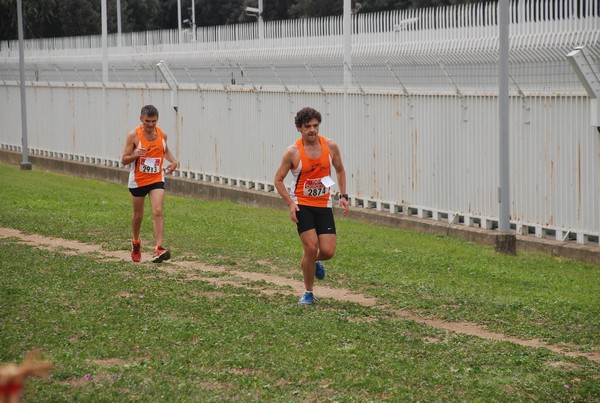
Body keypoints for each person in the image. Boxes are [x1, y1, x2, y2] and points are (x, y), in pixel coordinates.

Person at [274, 107, 350, 305]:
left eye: (315, 126)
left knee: (327, 251)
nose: (312, 130)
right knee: (310, 246)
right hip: (302, 204)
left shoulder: (330, 146)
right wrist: (290, 204)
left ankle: (312, 261)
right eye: (307, 126)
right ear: (299, 128)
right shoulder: (293, 152)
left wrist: (343, 195)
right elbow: (278, 180)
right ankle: (308, 292)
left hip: (323, 204)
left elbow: (340, 170)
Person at [121, 105, 179, 263]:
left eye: (153, 121)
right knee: (138, 216)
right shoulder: (134, 135)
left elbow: (164, 150)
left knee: (158, 211)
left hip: (156, 178)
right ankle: (135, 241)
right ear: (141, 119)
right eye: (147, 121)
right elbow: (124, 159)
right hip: (138, 180)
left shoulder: (162, 134)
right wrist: (135, 155)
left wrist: (173, 161)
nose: (150, 124)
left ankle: (158, 247)